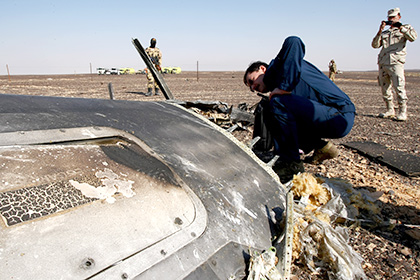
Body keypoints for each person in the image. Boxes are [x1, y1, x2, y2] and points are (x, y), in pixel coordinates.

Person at [243, 36, 355, 183]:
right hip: (323, 115)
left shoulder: (279, 67)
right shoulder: (279, 84)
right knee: (270, 106)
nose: (253, 87)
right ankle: (321, 146)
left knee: (277, 103)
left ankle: (290, 165)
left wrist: (285, 87)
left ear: (262, 69)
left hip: (339, 115)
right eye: (250, 88)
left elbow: (294, 41)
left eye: (252, 81)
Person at [372, 7, 417, 121]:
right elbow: (375, 45)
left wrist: (401, 28)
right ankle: (390, 110)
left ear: (399, 17)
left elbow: (413, 38)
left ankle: (402, 112)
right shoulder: (386, 32)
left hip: (396, 62)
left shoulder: (405, 28)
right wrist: (380, 31)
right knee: (385, 88)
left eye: (393, 17)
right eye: (389, 18)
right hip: (383, 62)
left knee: (399, 87)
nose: (391, 19)